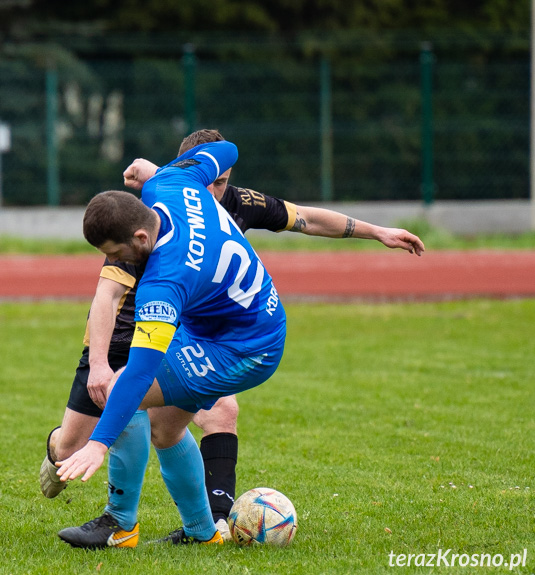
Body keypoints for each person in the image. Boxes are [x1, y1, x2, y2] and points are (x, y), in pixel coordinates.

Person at [40, 129, 424, 542]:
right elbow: (228, 149)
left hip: (245, 348)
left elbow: (138, 374)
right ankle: (204, 533)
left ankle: (119, 524)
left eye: (116, 255)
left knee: (124, 391)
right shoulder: (174, 183)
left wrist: (99, 444)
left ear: (139, 237)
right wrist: (164, 172)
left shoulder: (165, 281)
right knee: (166, 429)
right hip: (231, 325)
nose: (114, 263)